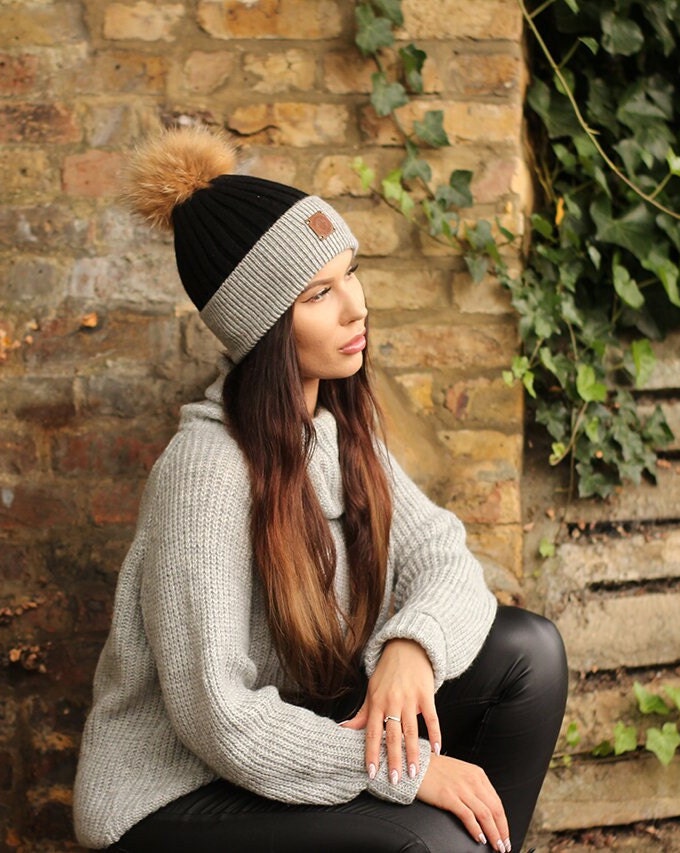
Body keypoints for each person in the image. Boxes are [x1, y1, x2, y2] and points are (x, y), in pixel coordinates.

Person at [73, 126, 568, 853]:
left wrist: (411, 649)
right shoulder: (204, 470)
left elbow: (446, 554)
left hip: (288, 734)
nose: (356, 308)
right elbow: (217, 718)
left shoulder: (337, 429)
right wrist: (412, 771)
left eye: (352, 274)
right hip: (174, 793)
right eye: (320, 294)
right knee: (430, 839)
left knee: (528, 652)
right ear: (266, 326)